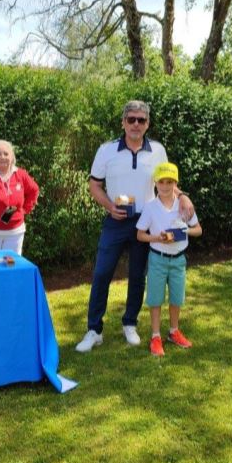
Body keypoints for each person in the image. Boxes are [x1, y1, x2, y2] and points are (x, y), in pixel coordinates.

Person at [75, 100, 193, 353]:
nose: (136, 124)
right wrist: (109, 206)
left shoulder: (158, 151)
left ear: (148, 123)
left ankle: (130, 323)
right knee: (102, 273)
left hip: (146, 221)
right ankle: (94, 330)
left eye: (141, 120)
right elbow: (94, 185)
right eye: (131, 120)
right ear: (123, 123)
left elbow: (167, 183)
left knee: (138, 276)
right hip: (116, 221)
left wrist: (183, 196)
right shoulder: (106, 150)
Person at [136, 162, 202, 356]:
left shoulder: (183, 205)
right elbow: (140, 235)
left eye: (169, 182)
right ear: (156, 183)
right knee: (155, 298)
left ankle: (174, 332)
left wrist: (185, 231)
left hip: (178, 260)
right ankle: (155, 336)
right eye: (161, 182)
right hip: (157, 259)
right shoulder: (150, 207)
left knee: (176, 298)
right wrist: (156, 238)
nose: (165, 186)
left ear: (176, 183)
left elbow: (198, 229)